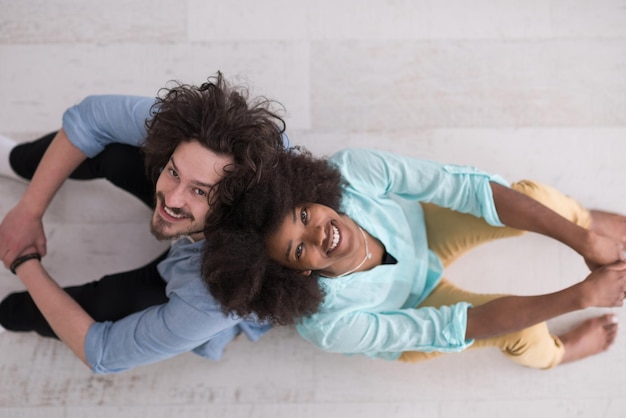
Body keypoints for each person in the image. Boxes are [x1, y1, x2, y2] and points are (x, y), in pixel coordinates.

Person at [202, 148, 626, 369]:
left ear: (304, 195)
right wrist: (581, 295)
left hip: (423, 228)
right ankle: (559, 354)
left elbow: (466, 189)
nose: (319, 233)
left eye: (304, 214)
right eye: (298, 249)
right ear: (301, 272)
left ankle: (586, 221)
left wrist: (582, 240)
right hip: (416, 310)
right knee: (527, 335)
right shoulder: (329, 325)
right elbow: (459, 325)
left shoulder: (349, 172)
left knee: (531, 198)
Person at [0, 72, 289, 374]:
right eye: (174, 172)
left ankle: (5, 313)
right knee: (114, 151)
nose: (172, 200)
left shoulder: (216, 299)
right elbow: (89, 118)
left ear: (236, 205)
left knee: (106, 304)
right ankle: (16, 161)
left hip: (212, 272)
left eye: (200, 191)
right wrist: (28, 212)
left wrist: (24, 261)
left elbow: (103, 352)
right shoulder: (200, 133)